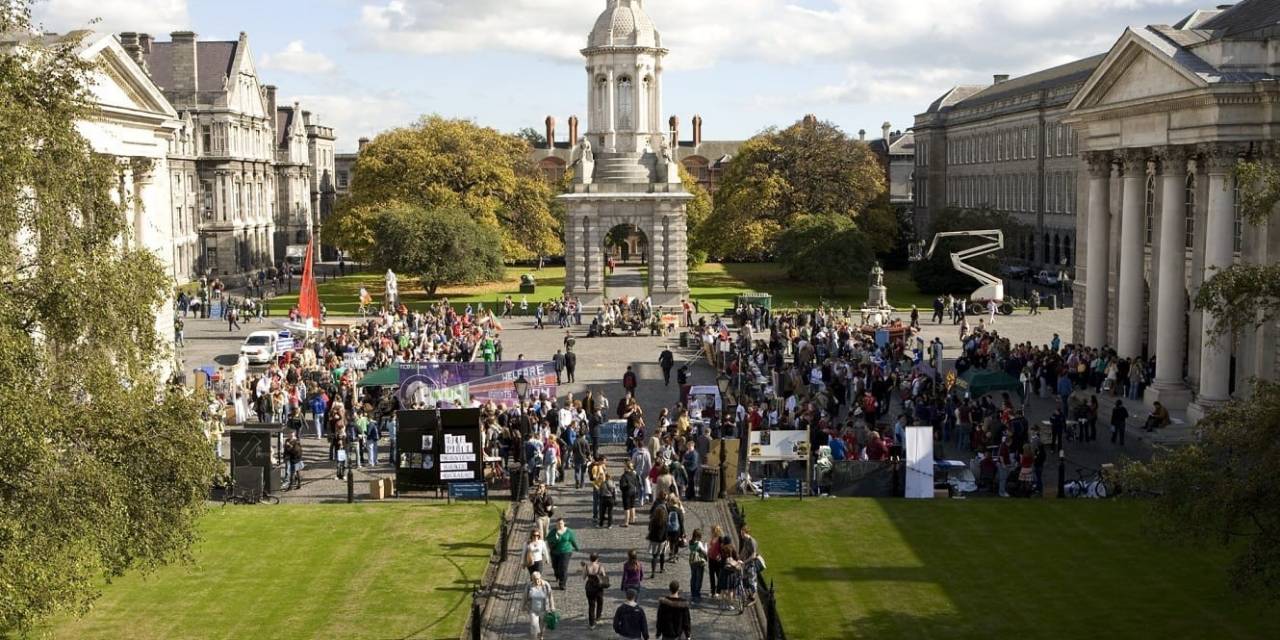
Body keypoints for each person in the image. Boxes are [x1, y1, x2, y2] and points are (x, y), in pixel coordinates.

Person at [547, 518, 580, 591]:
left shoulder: (569, 531)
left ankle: (562, 583)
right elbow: (548, 539)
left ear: (564, 523)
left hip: (566, 551)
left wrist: (577, 547)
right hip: (555, 552)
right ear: (556, 525)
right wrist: (556, 539)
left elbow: (573, 540)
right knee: (555, 567)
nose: (560, 525)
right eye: (558, 524)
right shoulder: (553, 532)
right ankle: (557, 575)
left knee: (563, 568)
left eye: (561, 523)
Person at [582, 553, 609, 629]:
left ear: (590, 559)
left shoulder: (586, 566)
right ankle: (598, 618)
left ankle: (591, 624)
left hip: (590, 587)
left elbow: (583, 577)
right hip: (598, 587)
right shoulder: (600, 566)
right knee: (600, 602)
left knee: (591, 605)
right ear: (597, 559)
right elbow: (604, 576)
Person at [525, 571, 555, 640]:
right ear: (532, 579)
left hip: (543, 609)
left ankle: (541, 635)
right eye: (535, 579)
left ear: (540, 578)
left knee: (542, 626)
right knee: (534, 625)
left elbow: (550, 596)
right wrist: (523, 606)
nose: (537, 581)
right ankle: (535, 638)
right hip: (533, 609)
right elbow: (525, 596)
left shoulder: (546, 585)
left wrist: (552, 606)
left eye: (538, 579)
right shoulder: (529, 586)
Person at [687, 529, 708, 605]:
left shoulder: (690, 542)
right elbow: (705, 552)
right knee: (699, 579)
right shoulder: (699, 543)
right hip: (699, 562)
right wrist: (705, 545)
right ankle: (697, 594)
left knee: (693, 577)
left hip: (692, 562)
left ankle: (693, 592)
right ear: (698, 536)